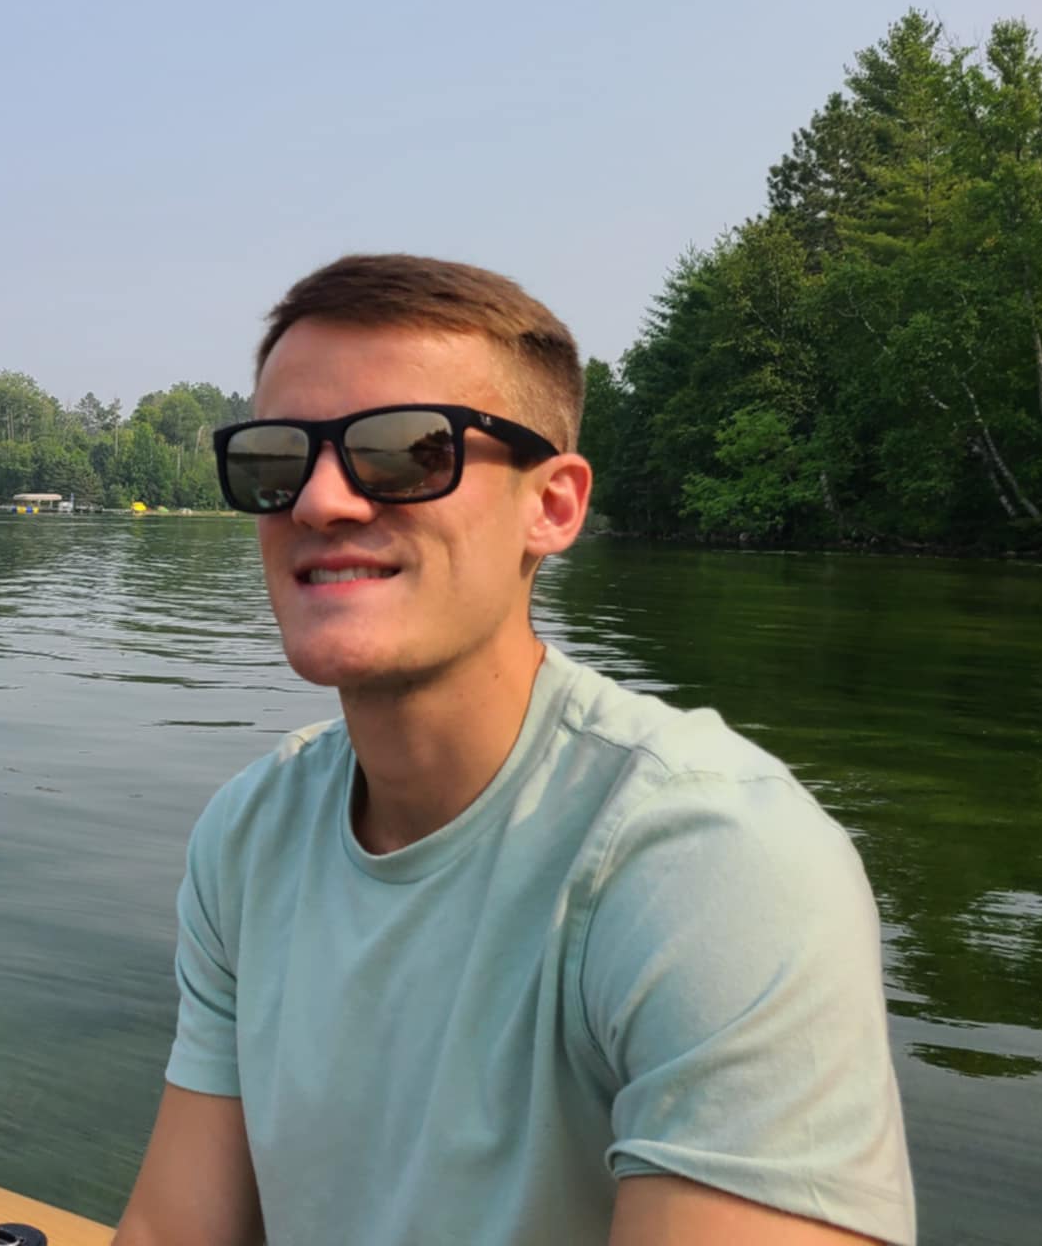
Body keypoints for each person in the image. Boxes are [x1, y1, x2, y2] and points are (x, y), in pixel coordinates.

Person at [112, 255, 914, 1246]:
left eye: (404, 451)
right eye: (274, 461)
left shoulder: (712, 861)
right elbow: (173, 1231)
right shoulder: (249, 835)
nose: (318, 502)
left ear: (553, 506)